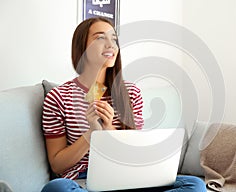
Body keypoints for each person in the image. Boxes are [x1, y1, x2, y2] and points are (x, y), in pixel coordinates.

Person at [41, 17, 206, 192]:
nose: (111, 45)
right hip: (83, 180)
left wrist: (108, 131)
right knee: (57, 188)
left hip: (127, 176)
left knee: (194, 185)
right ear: (82, 48)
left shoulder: (130, 93)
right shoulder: (58, 97)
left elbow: (133, 154)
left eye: (114, 39)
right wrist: (91, 134)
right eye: (100, 38)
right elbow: (57, 165)